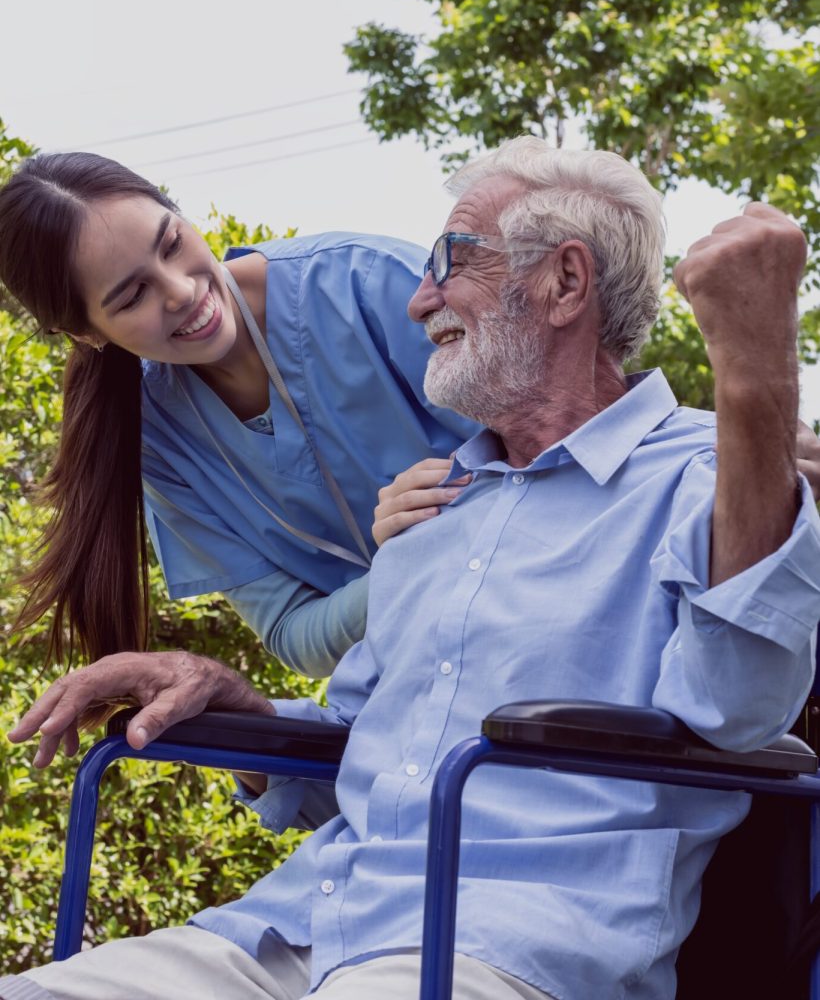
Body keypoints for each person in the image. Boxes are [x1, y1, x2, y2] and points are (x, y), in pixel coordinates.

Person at [4, 137, 820, 1000]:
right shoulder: (431, 517)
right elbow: (362, 762)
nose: (416, 298)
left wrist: (754, 383)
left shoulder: (709, 477)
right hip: (299, 932)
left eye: (448, 264)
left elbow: (738, 709)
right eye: (130, 294)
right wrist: (233, 697)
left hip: (493, 944)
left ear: (565, 284)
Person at [0, 154, 477, 683]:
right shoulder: (156, 441)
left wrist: (449, 512)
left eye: (172, 244)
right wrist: (400, 564)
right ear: (87, 335)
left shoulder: (366, 283)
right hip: (411, 684)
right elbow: (296, 635)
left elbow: (565, 443)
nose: (181, 291)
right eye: (134, 295)